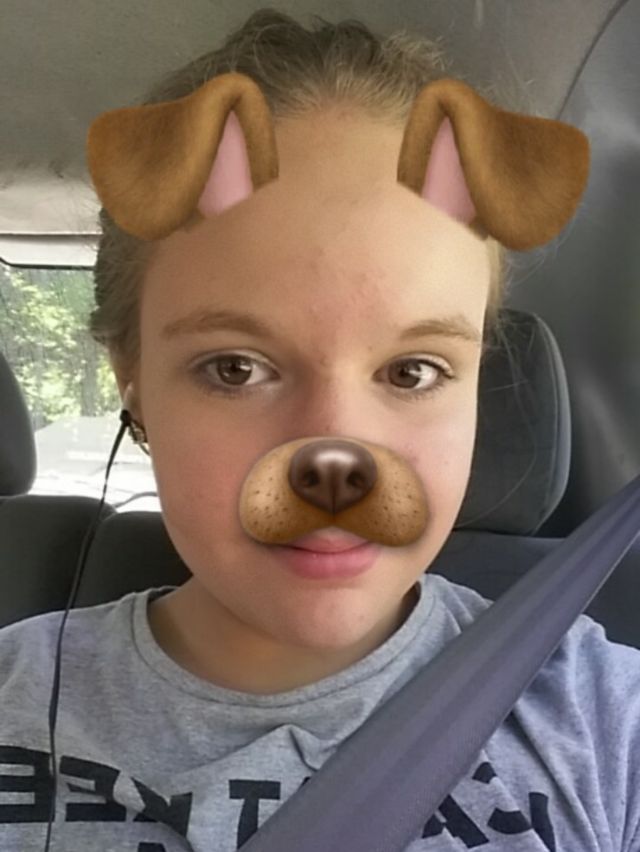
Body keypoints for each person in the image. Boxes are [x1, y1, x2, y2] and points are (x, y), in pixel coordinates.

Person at [1, 7, 639, 851]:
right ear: (134, 380)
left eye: (413, 371)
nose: (336, 453)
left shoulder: (604, 724)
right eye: (235, 368)